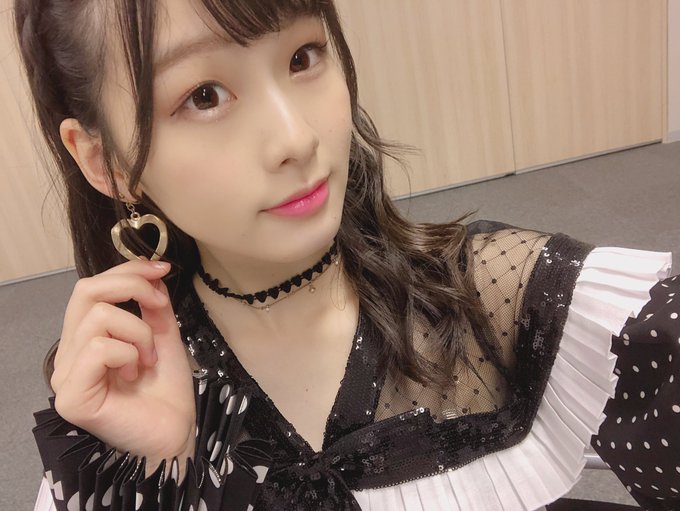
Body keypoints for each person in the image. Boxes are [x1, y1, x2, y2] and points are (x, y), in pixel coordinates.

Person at [14, 0, 680, 510]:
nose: (297, 138)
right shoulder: (119, 394)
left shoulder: (509, 301)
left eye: (303, 56)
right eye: (204, 96)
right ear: (105, 160)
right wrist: (167, 472)